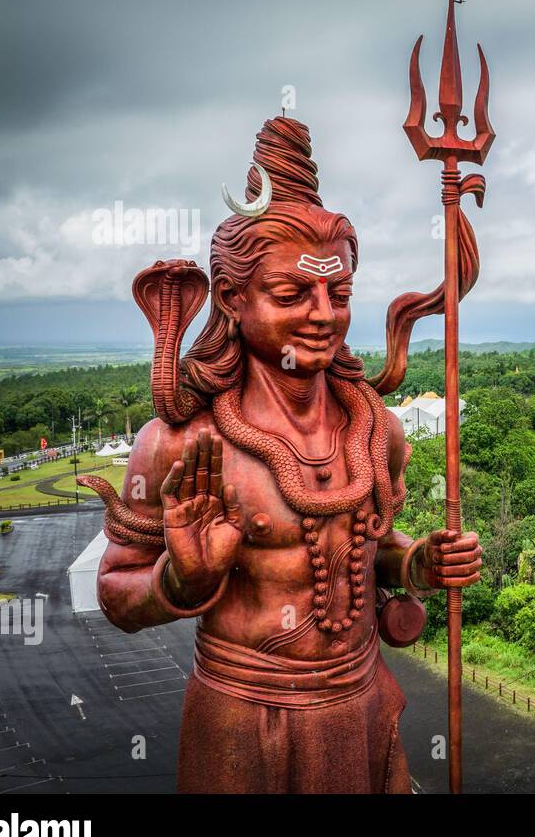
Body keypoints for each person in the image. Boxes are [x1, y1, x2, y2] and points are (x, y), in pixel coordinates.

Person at [83, 116, 482, 793]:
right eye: (293, 293)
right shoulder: (183, 442)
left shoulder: (373, 428)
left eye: (340, 292)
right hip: (244, 721)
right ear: (234, 299)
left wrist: (415, 562)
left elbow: (365, 548)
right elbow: (118, 595)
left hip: (361, 704)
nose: (323, 313)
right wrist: (180, 583)